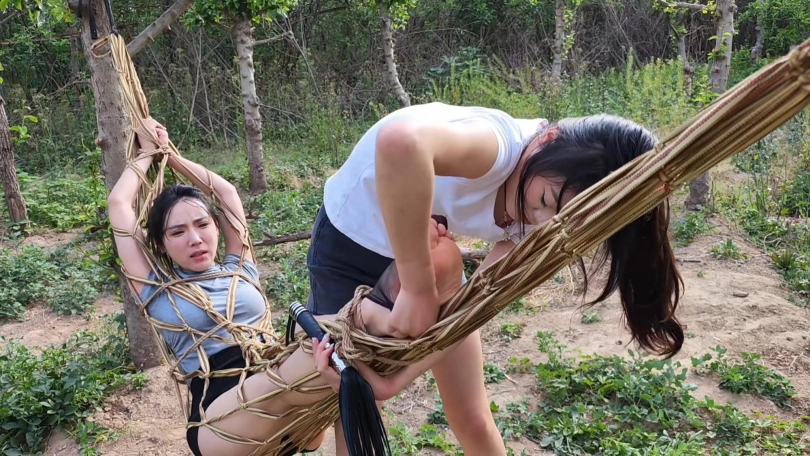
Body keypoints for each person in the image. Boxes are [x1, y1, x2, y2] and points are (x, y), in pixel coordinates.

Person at [306, 102, 685, 455]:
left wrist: (394, 382)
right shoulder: (497, 146)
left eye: (558, 218)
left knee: (472, 415)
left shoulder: (554, 217)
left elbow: (473, 308)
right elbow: (401, 141)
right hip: (351, 245)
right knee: (353, 410)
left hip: (428, 253)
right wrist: (418, 287)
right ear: (547, 140)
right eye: (545, 201)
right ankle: (308, 430)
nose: (539, 222)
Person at [107, 119, 468, 456]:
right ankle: (392, 312)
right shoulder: (157, 288)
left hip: (289, 399)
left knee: (345, 369)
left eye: (202, 225)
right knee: (321, 348)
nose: (195, 239)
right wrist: (148, 154)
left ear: (217, 227)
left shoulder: (239, 269)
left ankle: (409, 302)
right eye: (177, 232)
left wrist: (172, 154)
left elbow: (226, 193)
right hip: (222, 422)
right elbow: (119, 205)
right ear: (161, 245)